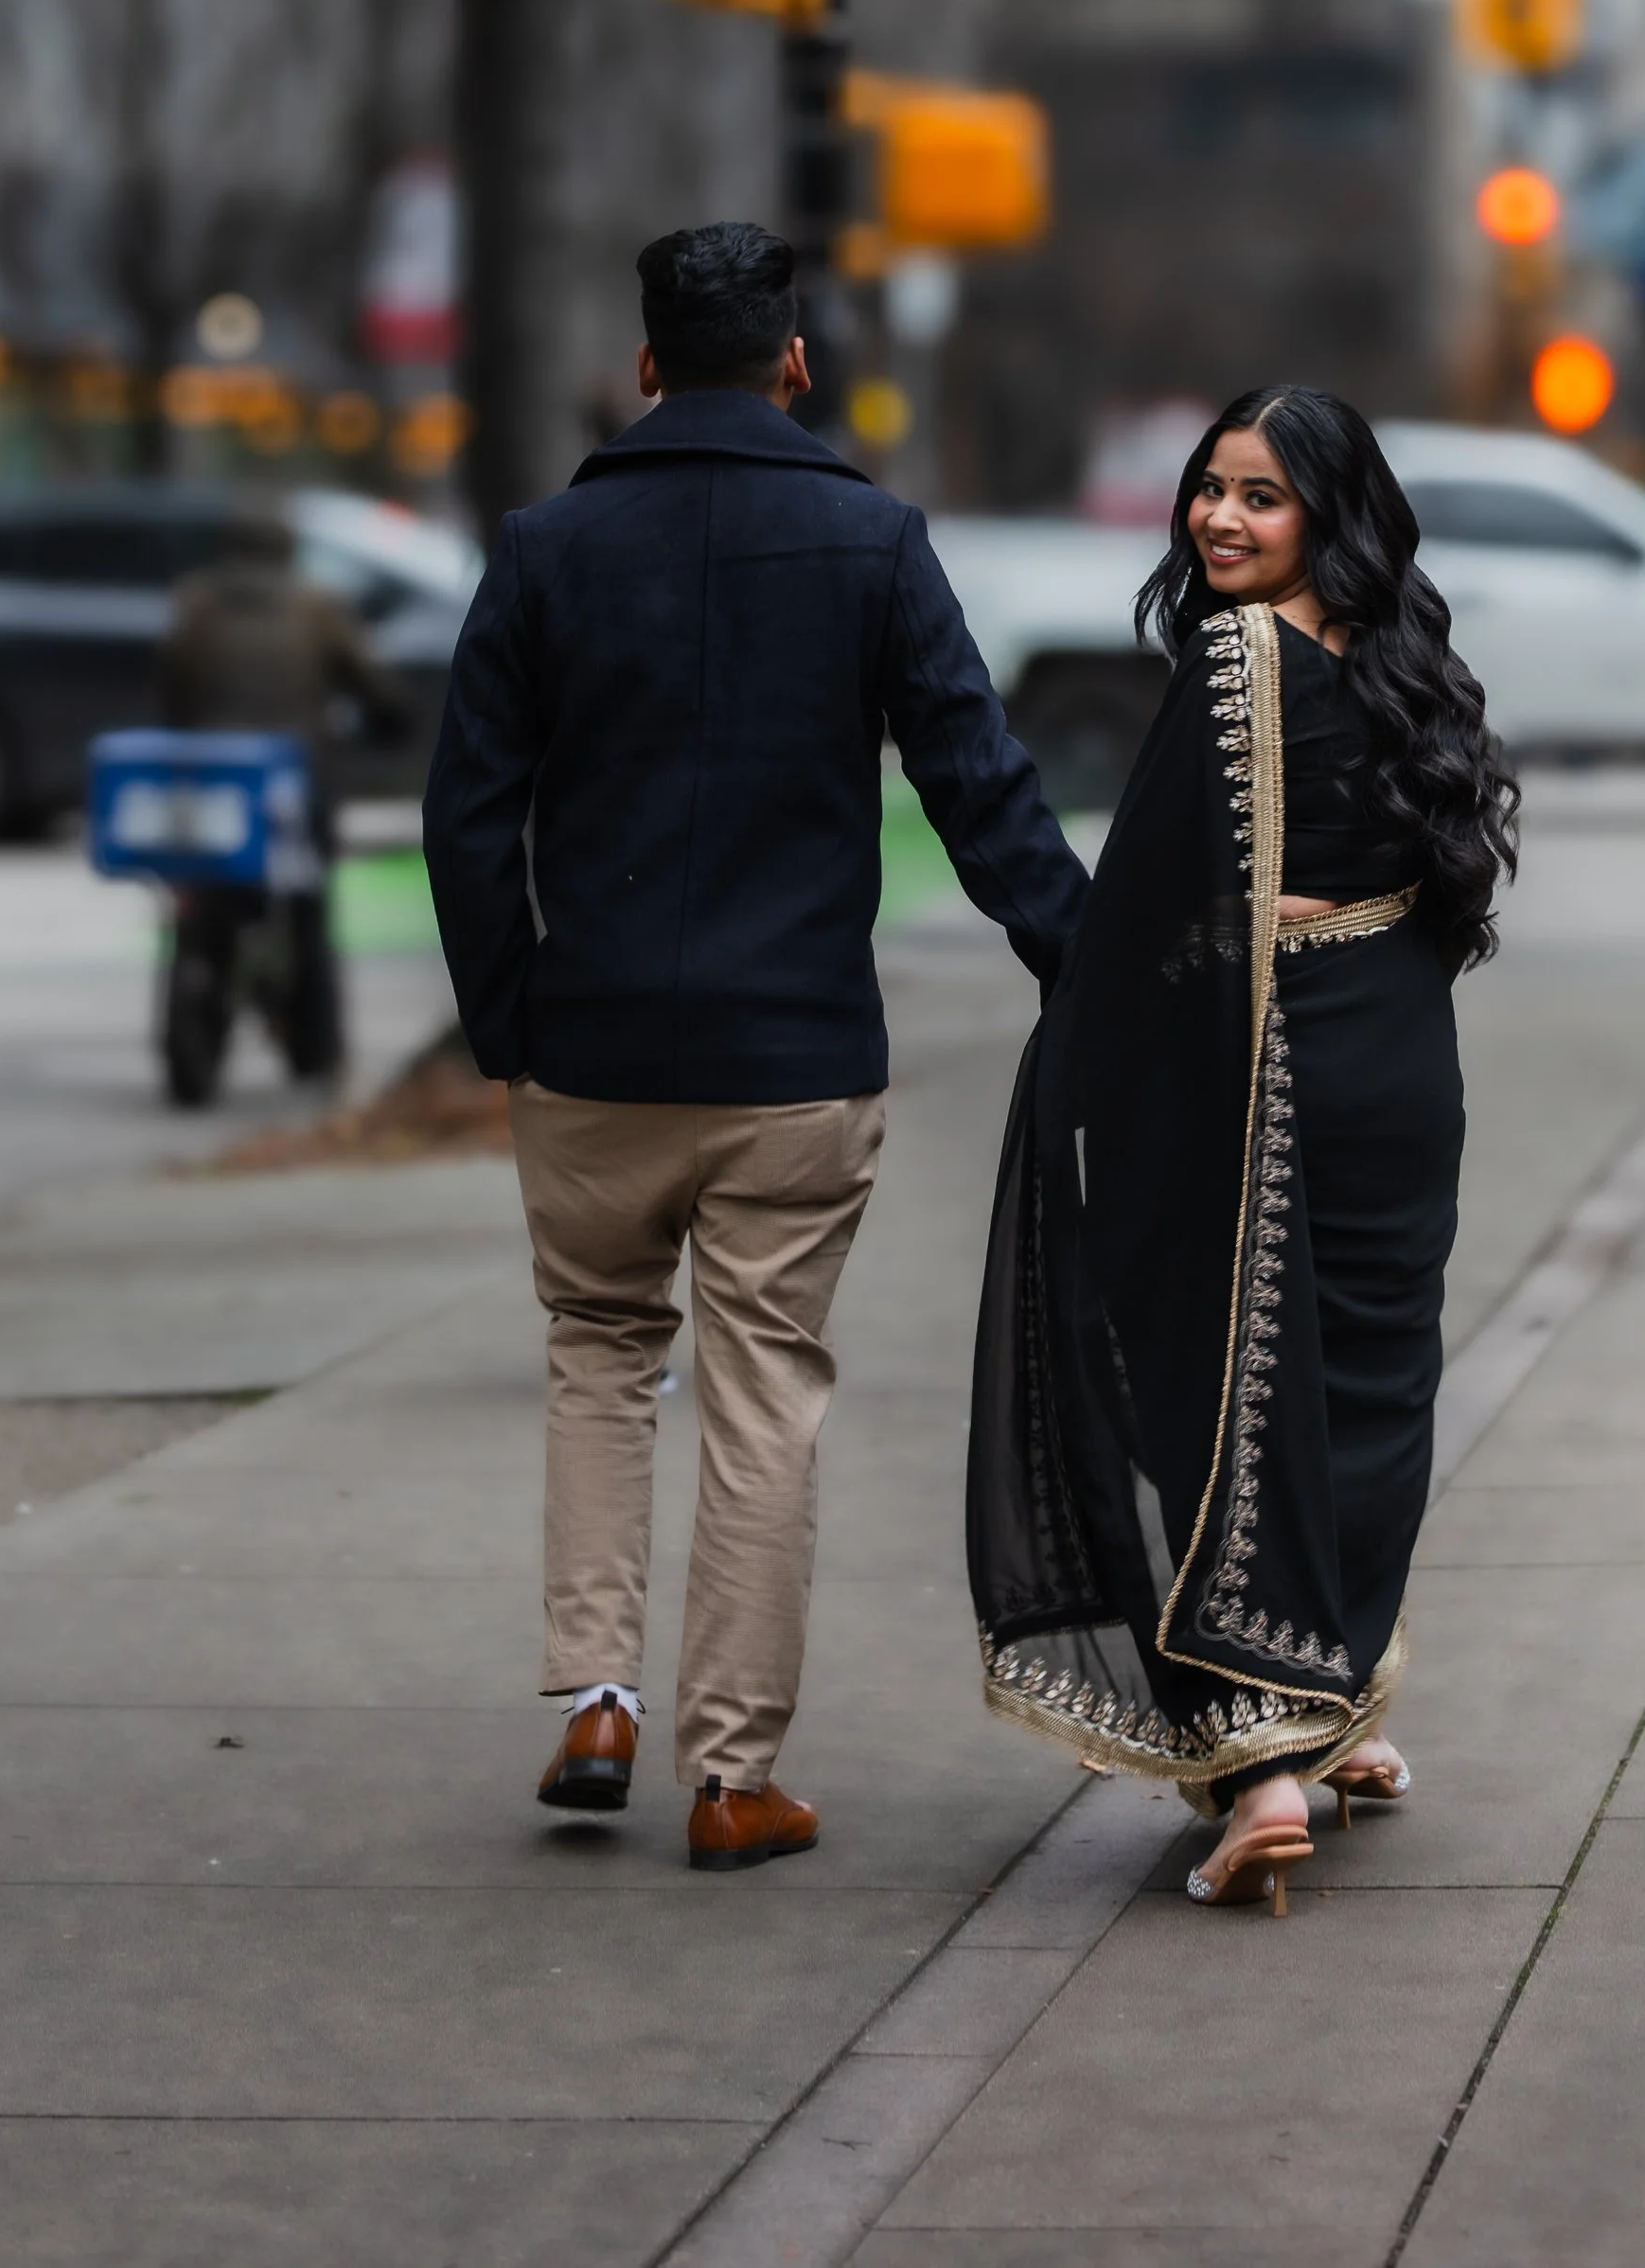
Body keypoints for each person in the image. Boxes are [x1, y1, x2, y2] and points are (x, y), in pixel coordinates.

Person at [423, 222, 1088, 1869]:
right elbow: (976, 779)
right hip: (795, 1057)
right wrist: (1082, 963)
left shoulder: (545, 548)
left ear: (643, 368)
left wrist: (511, 1014)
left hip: (588, 1053)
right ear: (792, 365)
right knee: (764, 1393)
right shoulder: (871, 544)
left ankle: (595, 1697)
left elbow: (465, 814)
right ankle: (732, 1775)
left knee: (596, 1351)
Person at [967, 385, 1517, 1917]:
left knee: (1219, 1398)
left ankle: (1258, 1758)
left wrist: (1135, 997)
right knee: (1370, 1390)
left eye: (1260, 497)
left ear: (1325, 515)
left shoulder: (1237, 657)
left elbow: (1146, 911)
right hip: (1403, 1070)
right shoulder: (1413, 658)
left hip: (1267, 1076)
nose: (1218, 519)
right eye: (1211, 489)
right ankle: (1336, 1715)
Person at [157, 505, 409, 1082]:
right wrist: (393, 719)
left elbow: (172, 684)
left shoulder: (196, 604)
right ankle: (317, 1047)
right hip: (293, 782)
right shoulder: (315, 606)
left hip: (213, 778)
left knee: (197, 900)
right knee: (310, 912)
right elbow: (369, 684)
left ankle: (198, 1012)